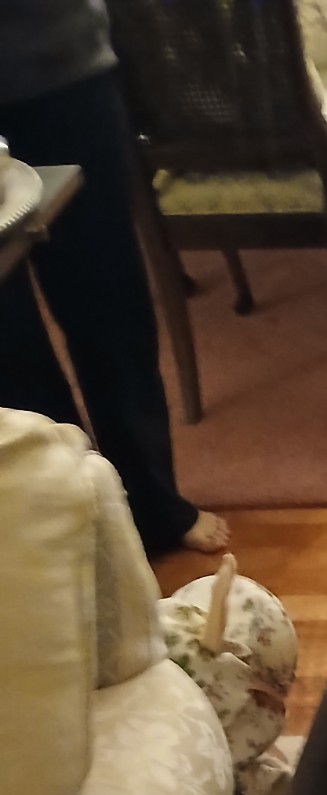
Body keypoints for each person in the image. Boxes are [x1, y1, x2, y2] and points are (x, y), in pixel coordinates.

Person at [0, 0, 228, 556]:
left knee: (110, 304)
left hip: (59, 64)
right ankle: (70, 520)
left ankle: (152, 506)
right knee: (8, 343)